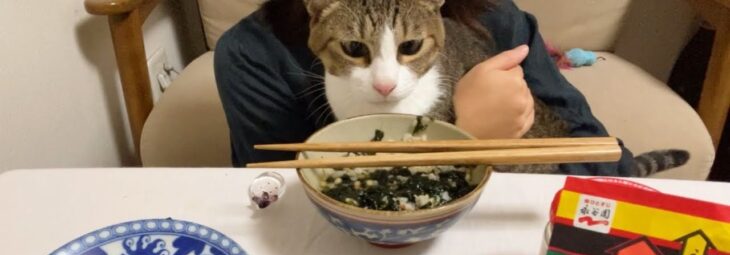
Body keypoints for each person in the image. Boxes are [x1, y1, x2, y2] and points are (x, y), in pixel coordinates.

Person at [214, 0, 636, 176]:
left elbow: (602, 164)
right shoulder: (251, 55)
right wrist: (466, 141)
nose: (385, 83)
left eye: (411, 46)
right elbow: (272, 200)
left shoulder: (493, 18)